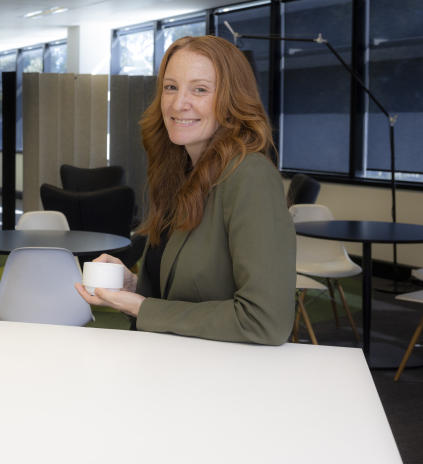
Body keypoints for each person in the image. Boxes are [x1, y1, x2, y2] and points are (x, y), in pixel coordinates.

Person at [75, 35, 295, 345]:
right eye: (171, 87)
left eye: (200, 89)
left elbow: (265, 321)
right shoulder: (178, 173)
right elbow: (181, 298)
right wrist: (131, 288)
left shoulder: (250, 176)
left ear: (232, 100)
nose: (179, 103)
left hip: (218, 379)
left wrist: (143, 307)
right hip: (169, 366)